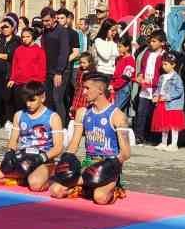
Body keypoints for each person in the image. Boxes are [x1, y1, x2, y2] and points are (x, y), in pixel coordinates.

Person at [49, 73, 130, 205]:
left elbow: (126, 152)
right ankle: (86, 188)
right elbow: (74, 143)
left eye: (87, 88)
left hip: (108, 167)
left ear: (100, 90)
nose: (83, 92)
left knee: (100, 198)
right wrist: (67, 158)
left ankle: (114, 189)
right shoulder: (82, 112)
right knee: (55, 190)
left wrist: (110, 164)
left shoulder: (118, 116)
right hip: (88, 164)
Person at [0, 82, 65, 190]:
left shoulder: (53, 117)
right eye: (26, 100)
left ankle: (51, 178)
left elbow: (58, 147)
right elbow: (13, 140)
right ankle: (23, 178)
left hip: (44, 160)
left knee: (35, 185)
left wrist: (42, 157)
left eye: (32, 100)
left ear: (43, 97)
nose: (28, 104)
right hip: (23, 157)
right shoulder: (19, 115)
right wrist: (10, 153)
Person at [151, 52, 185, 150]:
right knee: (164, 124)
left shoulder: (176, 77)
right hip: (162, 104)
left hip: (173, 105)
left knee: (174, 126)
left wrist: (168, 97)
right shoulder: (162, 77)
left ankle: (174, 144)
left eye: (166, 64)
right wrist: (155, 96)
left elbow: (179, 91)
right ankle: (164, 142)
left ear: (173, 65)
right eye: (163, 64)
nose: (163, 66)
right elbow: (158, 89)